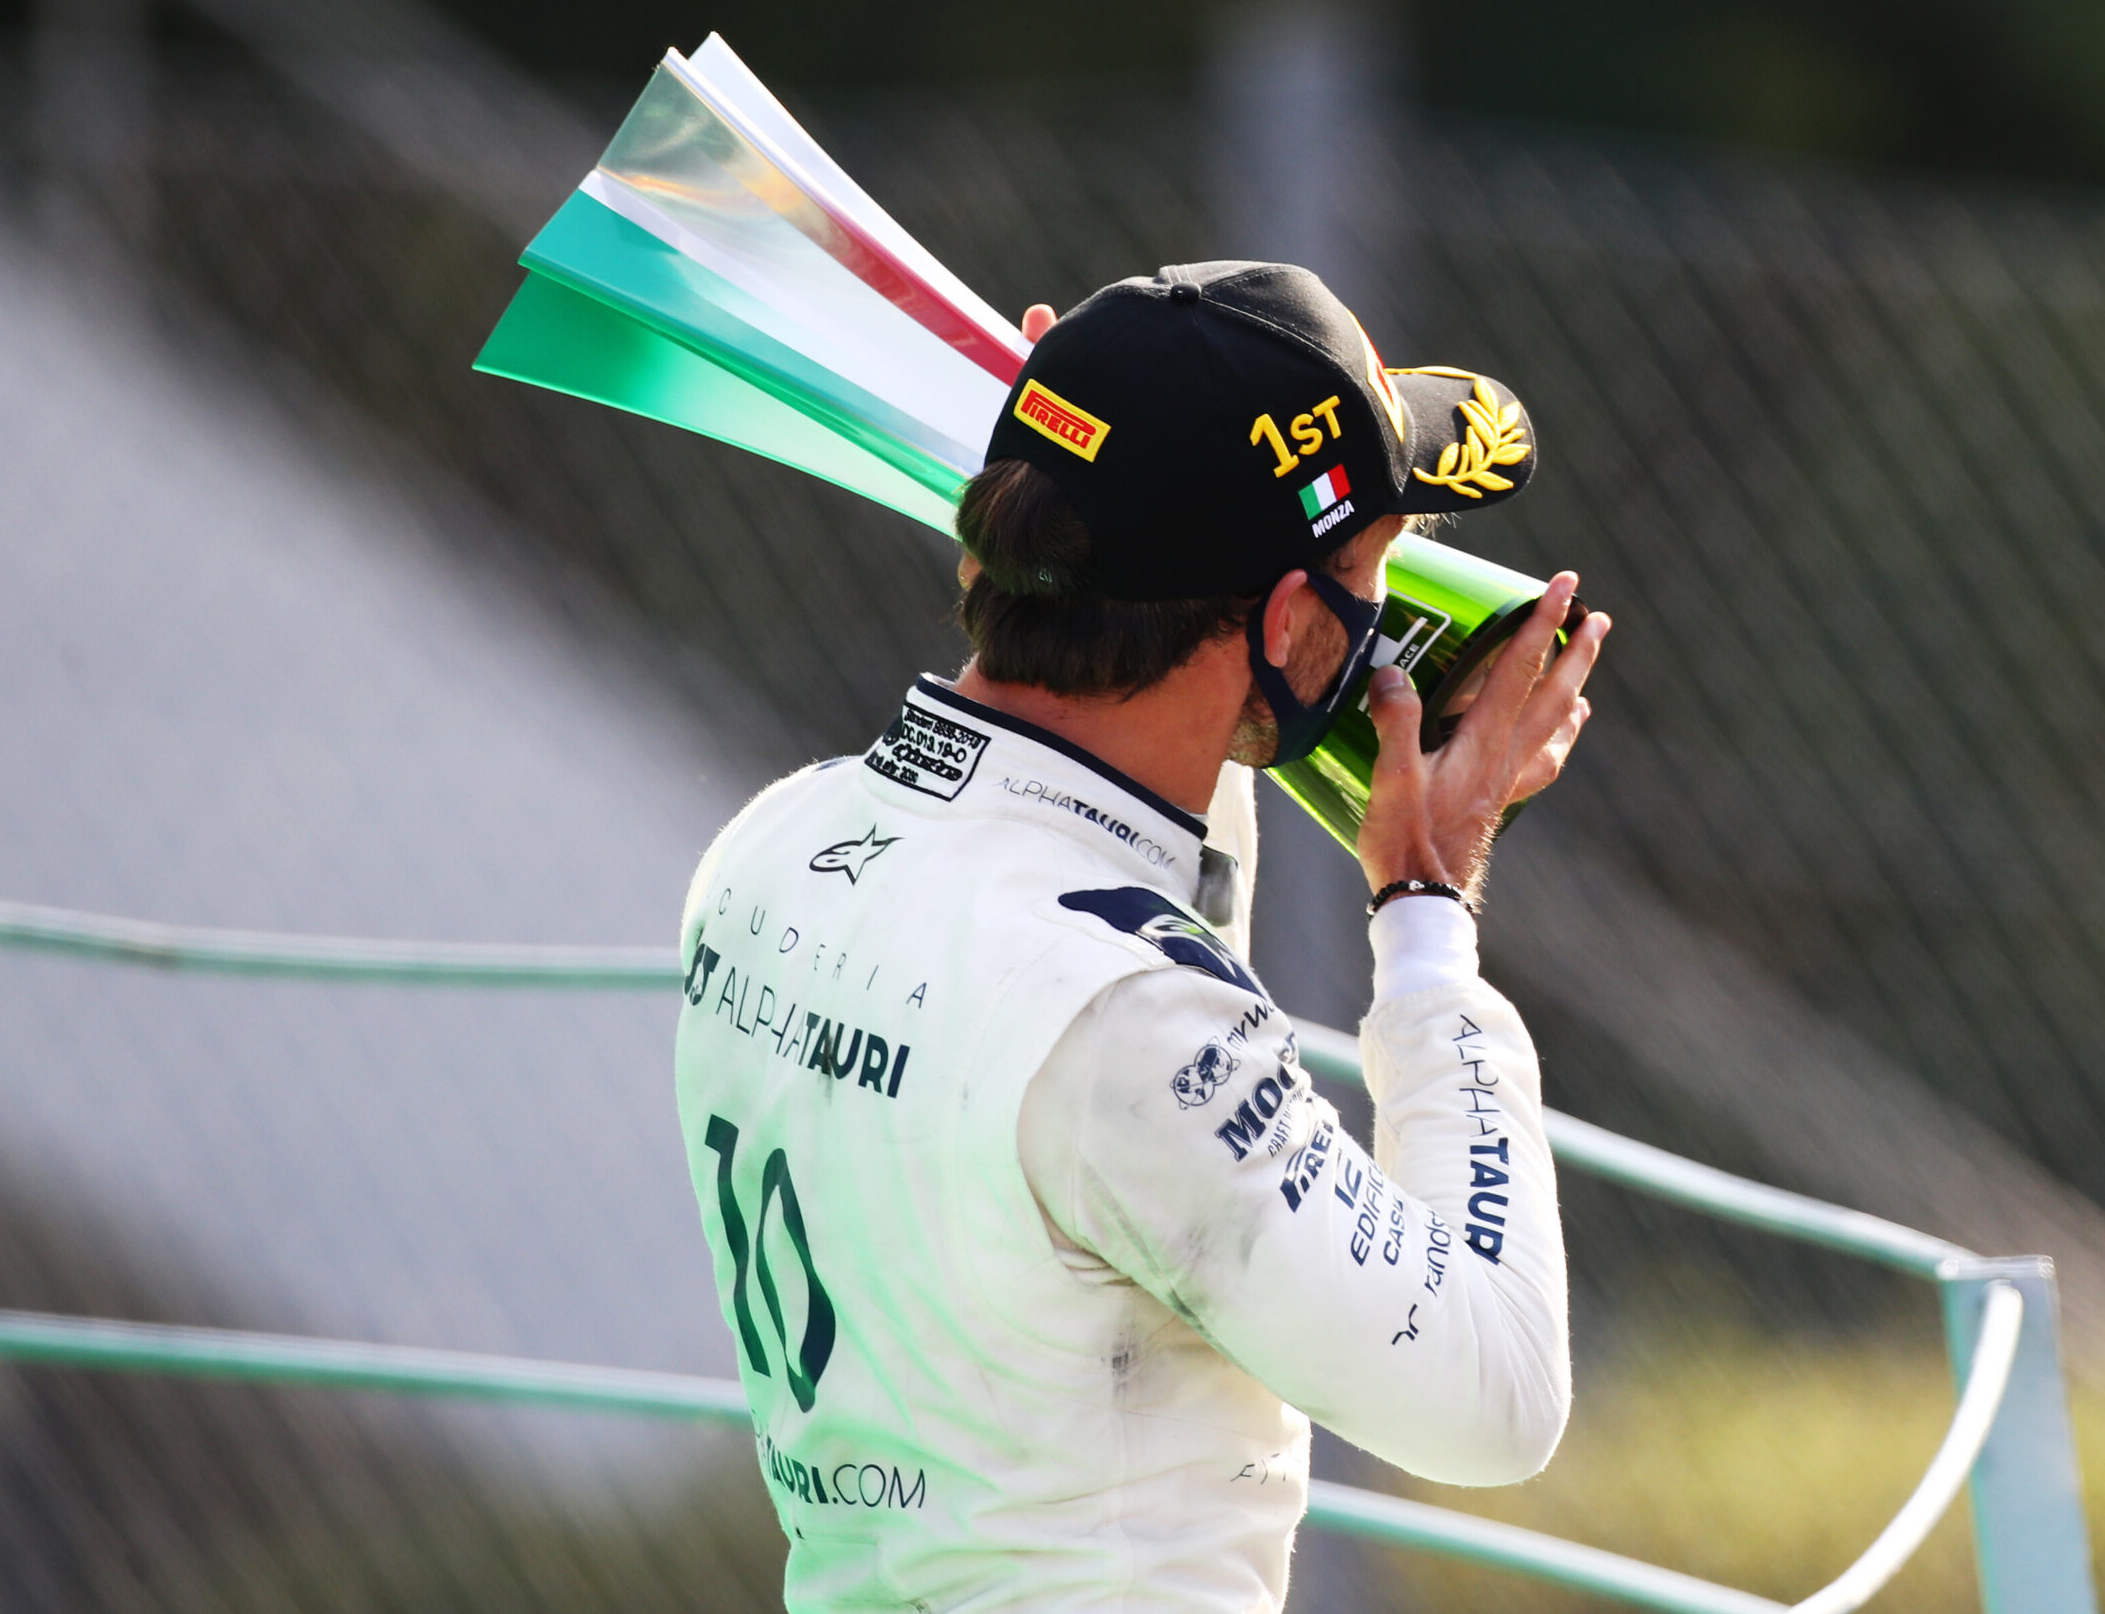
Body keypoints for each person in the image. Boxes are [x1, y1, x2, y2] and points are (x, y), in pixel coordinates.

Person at [674, 260, 1610, 1612]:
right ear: (1293, 622)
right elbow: (1498, 1396)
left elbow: (1124, 872)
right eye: (1376, 578)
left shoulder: (767, 849)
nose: (1386, 624)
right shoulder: (1126, 1022)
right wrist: (1426, 903)